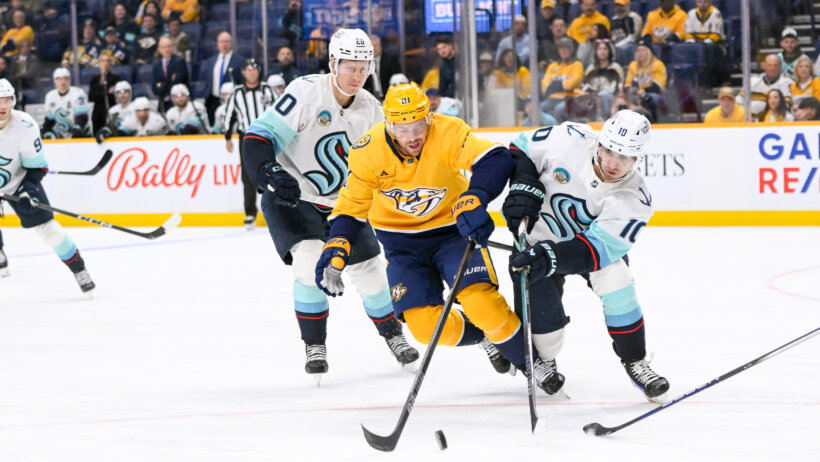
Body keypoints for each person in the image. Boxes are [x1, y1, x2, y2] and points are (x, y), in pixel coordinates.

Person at [314, 82, 560, 392]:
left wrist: (474, 198)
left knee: (482, 304)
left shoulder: (447, 131)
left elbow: (495, 158)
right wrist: (337, 245)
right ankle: (486, 336)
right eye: (402, 128)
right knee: (424, 328)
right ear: (387, 124)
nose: (412, 136)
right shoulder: (368, 151)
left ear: (429, 117)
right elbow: (350, 208)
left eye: (418, 124)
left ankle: (531, 363)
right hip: (402, 247)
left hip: (452, 235)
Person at [241, 29, 420, 379]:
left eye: (364, 67)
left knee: (371, 275)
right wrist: (270, 172)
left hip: (344, 205)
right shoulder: (306, 92)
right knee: (308, 266)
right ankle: (315, 343)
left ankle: (393, 335)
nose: (358, 75)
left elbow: (395, 165)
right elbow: (257, 138)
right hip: (294, 199)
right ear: (333, 63)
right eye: (350, 67)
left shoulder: (373, 111)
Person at [505, 110, 670, 401]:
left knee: (618, 282)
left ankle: (635, 361)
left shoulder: (635, 197)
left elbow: (596, 249)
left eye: (625, 157)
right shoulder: (569, 139)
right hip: (536, 241)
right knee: (548, 336)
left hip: (580, 250)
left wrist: (551, 258)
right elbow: (519, 147)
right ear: (600, 143)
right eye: (609, 152)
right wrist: (522, 187)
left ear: (638, 158)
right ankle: (542, 359)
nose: (613, 164)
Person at [0, 78, 95, 293]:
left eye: (7, 100)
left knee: (49, 230)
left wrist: (29, 189)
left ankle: (79, 269)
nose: (2, 106)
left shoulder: (24, 125)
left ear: (14, 101)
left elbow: (38, 168)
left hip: (17, 182)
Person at [223, 58, 276, 230]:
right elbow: (229, 115)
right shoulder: (237, 93)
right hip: (246, 138)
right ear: (244, 73)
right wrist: (227, 137)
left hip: (268, 137)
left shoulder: (268, 89)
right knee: (247, 177)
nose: (252, 72)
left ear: (258, 71)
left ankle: (275, 213)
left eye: (255, 69)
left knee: (273, 173)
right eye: (248, 69)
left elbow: (280, 110)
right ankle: (250, 213)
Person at [200, 31, 244, 125]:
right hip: (213, 101)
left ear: (231, 43)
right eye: (222, 41)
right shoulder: (210, 62)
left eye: (227, 41)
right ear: (217, 43)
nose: (224, 44)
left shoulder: (239, 61)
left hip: (231, 100)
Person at [541, 37, 584, 120]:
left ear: (571, 50)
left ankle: (559, 132)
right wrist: (565, 81)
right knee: (539, 109)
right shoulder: (553, 66)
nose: (563, 51)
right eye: (561, 48)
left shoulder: (577, 65)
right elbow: (544, 86)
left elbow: (572, 84)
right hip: (553, 98)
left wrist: (554, 83)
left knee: (558, 109)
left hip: (570, 99)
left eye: (566, 48)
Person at [41, 67, 90, 139]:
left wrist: (75, 132)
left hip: (80, 135)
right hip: (61, 136)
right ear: (55, 81)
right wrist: (45, 131)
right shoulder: (50, 96)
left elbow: (82, 117)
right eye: (60, 79)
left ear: (69, 80)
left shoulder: (78, 93)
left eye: (65, 79)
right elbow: (49, 120)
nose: (63, 82)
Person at [624, 40, 667, 122]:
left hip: (652, 93)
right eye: (638, 50)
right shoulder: (633, 65)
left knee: (652, 98)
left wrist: (644, 91)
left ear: (649, 52)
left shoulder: (658, 64)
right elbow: (628, 84)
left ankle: (653, 122)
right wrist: (632, 90)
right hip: (635, 94)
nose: (640, 53)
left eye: (643, 50)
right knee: (621, 100)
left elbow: (658, 86)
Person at [582, 38, 623, 118]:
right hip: (592, 97)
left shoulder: (615, 68)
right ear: (596, 51)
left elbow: (619, 88)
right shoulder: (591, 68)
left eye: (605, 49)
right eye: (600, 49)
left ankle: (604, 120)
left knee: (603, 95)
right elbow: (585, 86)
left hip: (610, 98)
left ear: (609, 51)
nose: (602, 51)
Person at [152, 35, 189, 113]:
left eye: (169, 46)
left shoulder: (179, 62)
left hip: (178, 100)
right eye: (164, 47)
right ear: (159, 49)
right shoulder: (156, 65)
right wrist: (169, 82)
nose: (167, 49)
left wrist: (162, 85)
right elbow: (154, 87)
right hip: (162, 102)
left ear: (173, 48)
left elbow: (176, 82)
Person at [88, 53, 120, 137]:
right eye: (103, 61)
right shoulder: (94, 80)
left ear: (110, 64)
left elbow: (113, 97)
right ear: (99, 63)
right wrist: (106, 93)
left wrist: (100, 94)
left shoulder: (115, 78)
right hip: (97, 112)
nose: (105, 63)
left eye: (108, 61)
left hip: (110, 110)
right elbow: (91, 96)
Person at [364, 34, 401, 100]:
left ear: (380, 46)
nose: (373, 49)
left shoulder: (391, 59)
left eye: (375, 46)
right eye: (371, 46)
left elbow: (398, 80)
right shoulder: (364, 62)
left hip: (390, 98)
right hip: (371, 100)